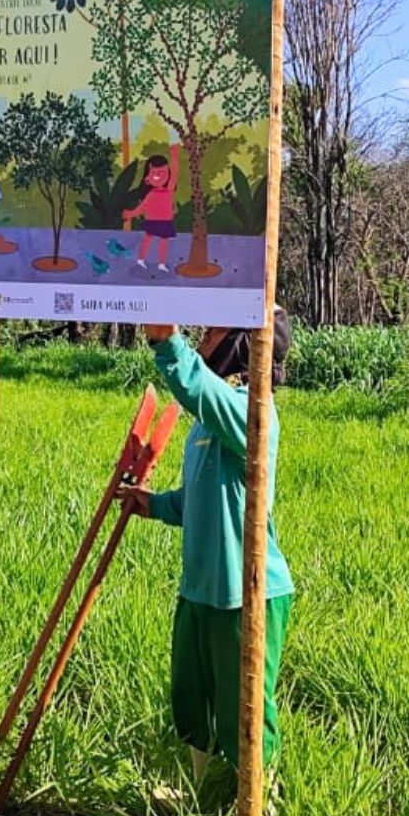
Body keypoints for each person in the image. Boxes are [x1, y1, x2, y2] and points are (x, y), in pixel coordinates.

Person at [119, 311, 296, 787]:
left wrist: (167, 342)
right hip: (200, 586)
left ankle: (260, 806)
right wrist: (153, 504)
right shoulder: (207, 422)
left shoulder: (251, 412)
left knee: (244, 706)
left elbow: (196, 386)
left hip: (245, 592)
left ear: (241, 346)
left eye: (212, 331)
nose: (202, 339)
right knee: (191, 694)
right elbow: (198, 496)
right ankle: (200, 791)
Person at [123, 144, 179, 274]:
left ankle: (161, 263)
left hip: (166, 221)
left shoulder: (169, 190)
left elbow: (175, 172)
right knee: (147, 239)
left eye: (162, 173)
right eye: (154, 173)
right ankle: (141, 260)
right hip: (152, 220)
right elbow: (142, 208)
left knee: (163, 241)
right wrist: (131, 214)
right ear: (147, 179)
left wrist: (174, 156)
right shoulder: (151, 194)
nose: (158, 176)